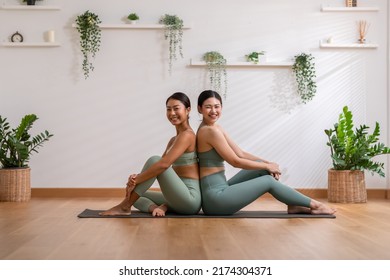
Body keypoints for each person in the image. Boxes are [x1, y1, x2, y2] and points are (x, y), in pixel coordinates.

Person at [196, 90, 336, 216]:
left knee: (260, 166)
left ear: (221, 107)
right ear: (199, 109)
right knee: (267, 180)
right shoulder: (210, 131)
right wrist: (267, 167)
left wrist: (267, 163)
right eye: (208, 107)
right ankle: (315, 205)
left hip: (221, 189)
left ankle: (293, 204)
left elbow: (240, 153)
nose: (213, 110)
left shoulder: (215, 127)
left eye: (217, 106)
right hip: (215, 199)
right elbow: (235, 161)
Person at [100, 92, 201, 217]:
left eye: (176, 108)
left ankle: (125, 207)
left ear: (188, 110)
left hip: (190, 199)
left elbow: (162, 165)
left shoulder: (188, 135)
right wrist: (135, 180)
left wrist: (136, 180)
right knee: (136, 195)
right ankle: (156, 208)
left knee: (155, 160)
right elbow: (157, 170)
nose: (172, 113)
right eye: (168, 109)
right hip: (176, 195)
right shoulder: (173, 140)